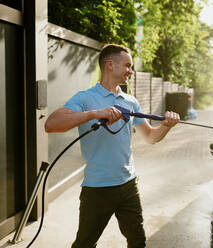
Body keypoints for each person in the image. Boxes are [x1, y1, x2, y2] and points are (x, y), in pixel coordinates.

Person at [44, 44, 180, 248]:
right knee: (84, 244)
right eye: (128, 65)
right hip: (97, 188)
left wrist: (166, 126)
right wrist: (94, 113)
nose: (131, 71)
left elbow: (151, 137)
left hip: (128, 185)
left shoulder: (130, 102)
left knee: (138, 242)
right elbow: (51, 124)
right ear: (110, 65)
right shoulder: (85, 98)